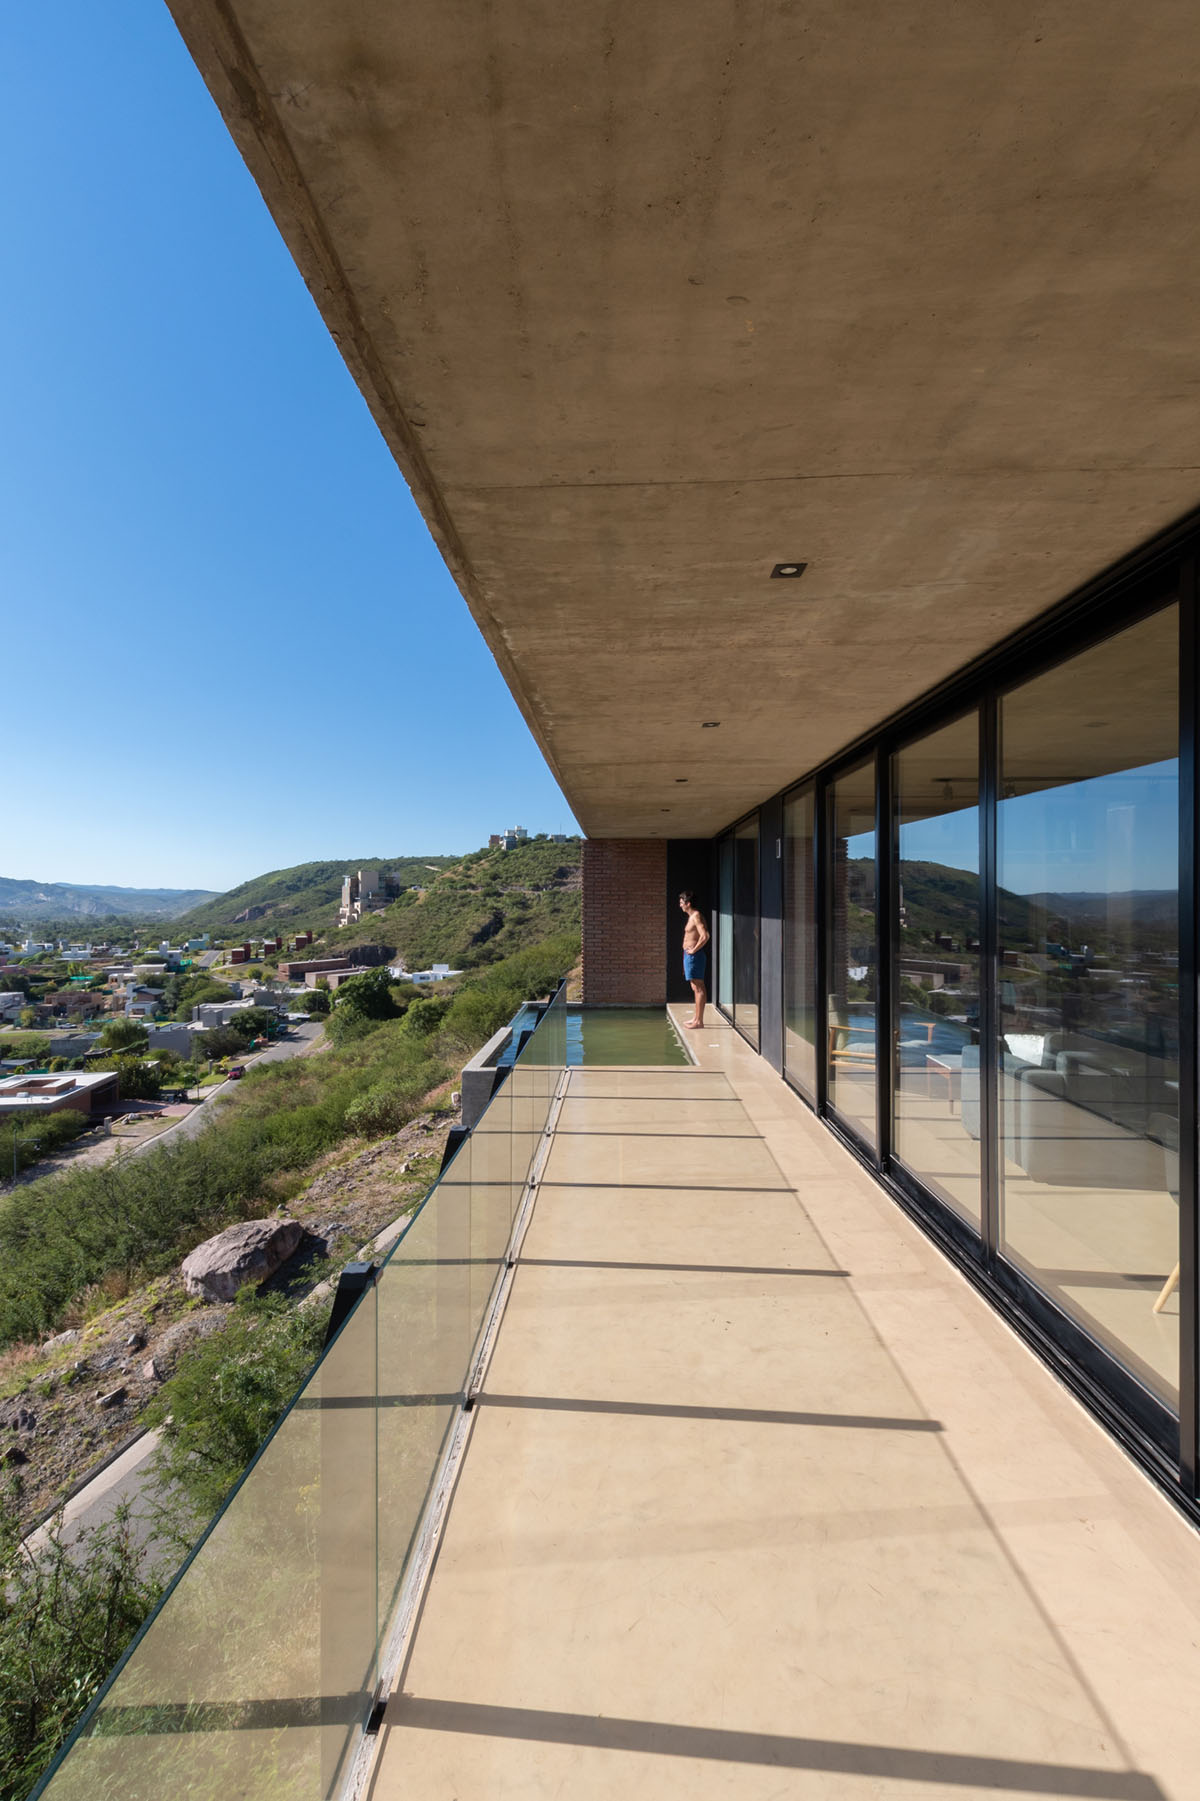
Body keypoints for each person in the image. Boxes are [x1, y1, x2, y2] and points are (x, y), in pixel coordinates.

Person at [679, 890, 710, 1028]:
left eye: (681, 902)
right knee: (695, 986)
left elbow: (705, 936)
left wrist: (693, 950)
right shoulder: (691, 916)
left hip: (694, 956)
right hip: (689, 956)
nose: (680, 905)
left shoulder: (696, 916)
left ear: (688, 903)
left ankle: (699, 1021)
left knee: (698, 987)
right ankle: (696, 1018)